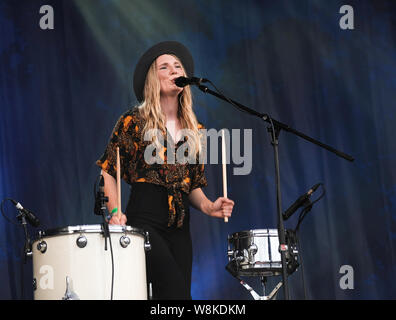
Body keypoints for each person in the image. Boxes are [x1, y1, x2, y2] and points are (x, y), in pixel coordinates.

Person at [96, 41, 234, 300]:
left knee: (177, 298)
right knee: (175, 295)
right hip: (146, 220)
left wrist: (208, 207)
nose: (173, 70)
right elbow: (108, 171)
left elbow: (191, 184)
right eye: (165, 67)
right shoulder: (133, 122)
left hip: (181, 228)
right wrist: (115, 212)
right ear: (152, 78)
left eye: (178, 66)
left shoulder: (196, 130)